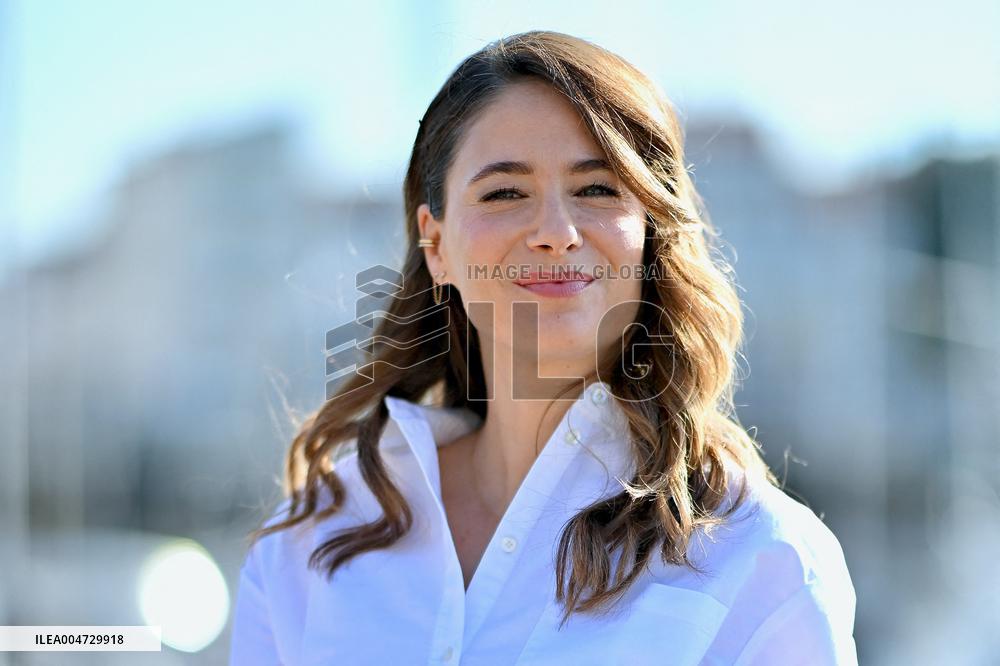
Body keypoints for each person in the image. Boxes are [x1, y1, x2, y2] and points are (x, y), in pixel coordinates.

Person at [229, 30, 858, 665]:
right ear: (436, 243)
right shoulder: (308, 544)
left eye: (597, 189)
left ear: (648, 236)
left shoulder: (763, 563)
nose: (557, 233)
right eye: (505, 192)